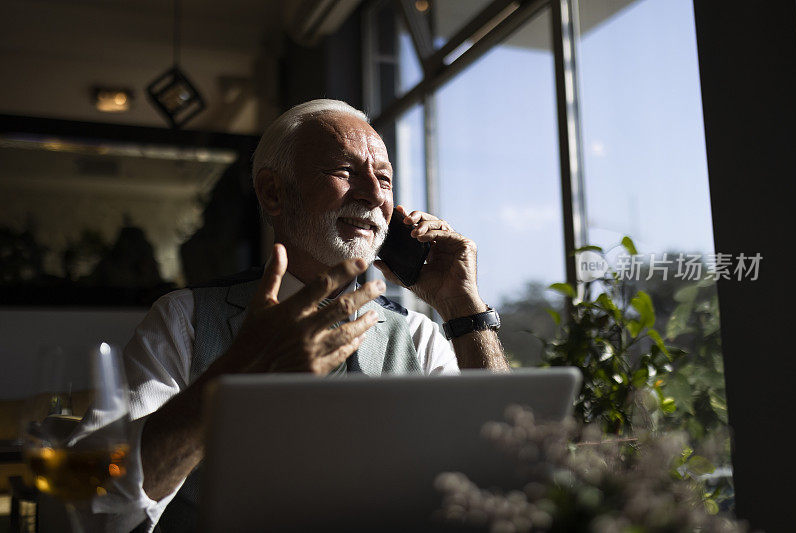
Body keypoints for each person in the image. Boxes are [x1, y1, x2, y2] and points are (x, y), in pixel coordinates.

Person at [98, 99, 508, 532]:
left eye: (385, 178)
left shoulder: (419, 336)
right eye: (345, 172)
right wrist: (238, 376)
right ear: (273, 191)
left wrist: (462, 307)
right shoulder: (186, 319)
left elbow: (507, 470)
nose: (373, 193)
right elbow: (103, 507)